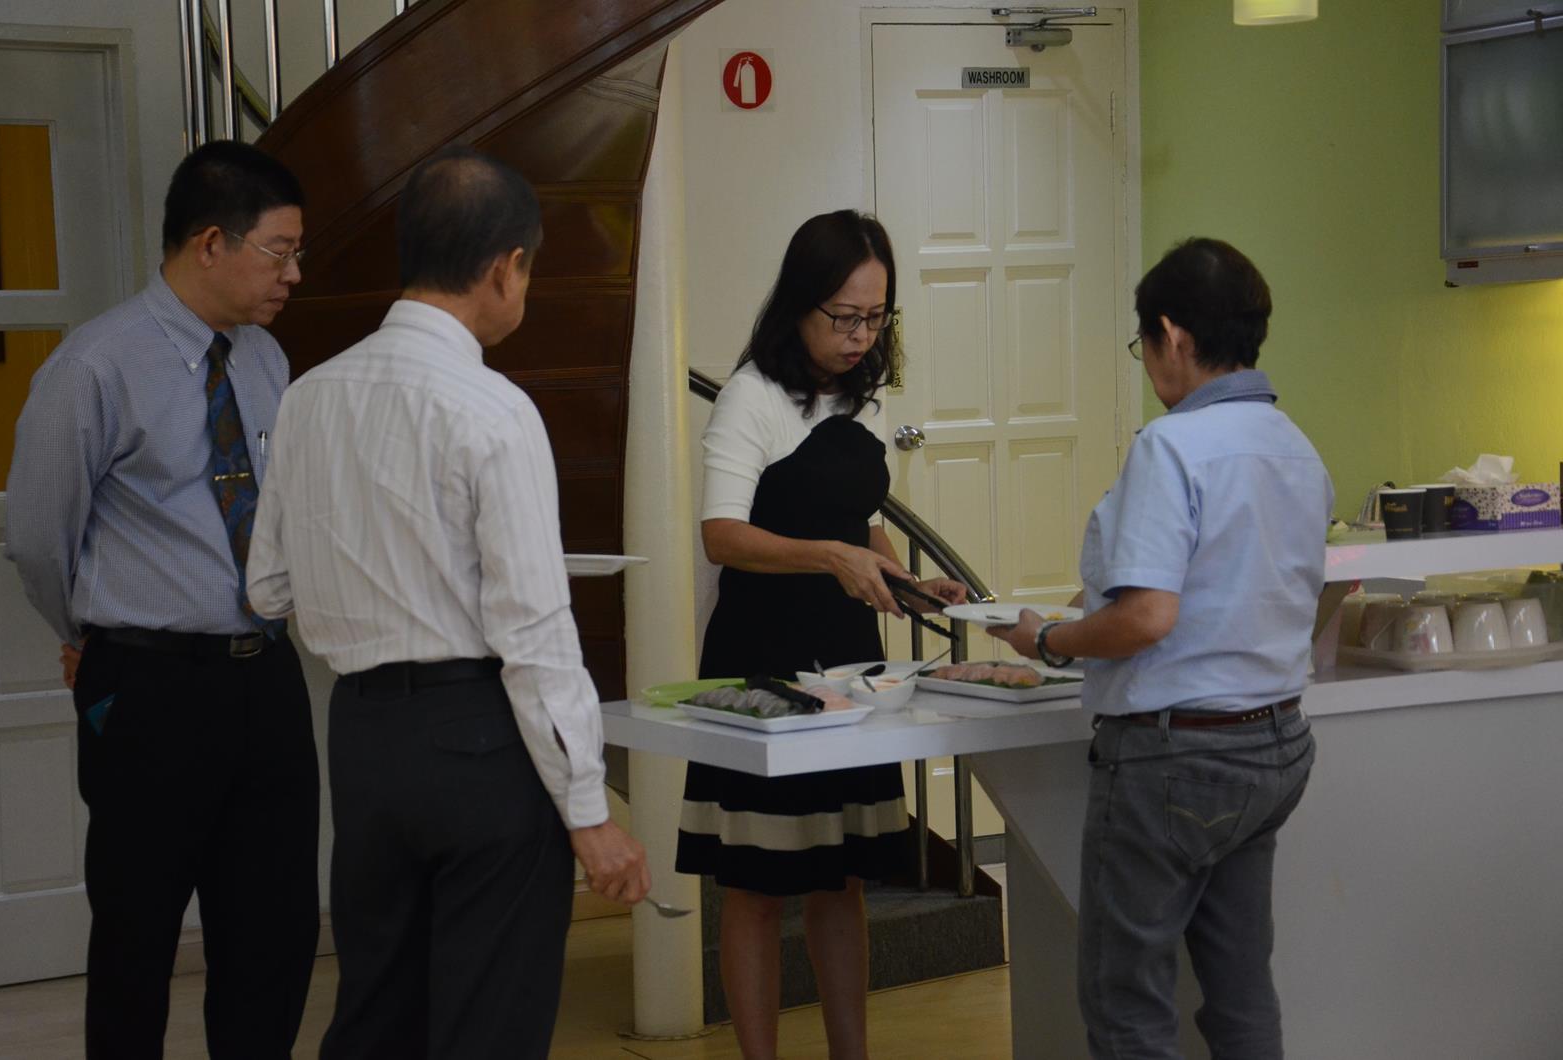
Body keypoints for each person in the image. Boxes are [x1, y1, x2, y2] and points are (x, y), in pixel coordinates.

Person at [244, 146, 650, 1060]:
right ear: (507, 266)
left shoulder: (308, 398)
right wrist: (590, 813)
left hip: (362, 737)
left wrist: (370, 582)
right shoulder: (493, 409)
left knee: (376, 1014)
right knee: (488, 1025)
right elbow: (534, 633)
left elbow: (266, 586)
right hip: (480, 739)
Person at [5, 140, 317, 1059]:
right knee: (137, 938)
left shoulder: (265, 360)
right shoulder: (94, 365)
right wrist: (85, 637)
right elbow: (39, 537)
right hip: (149, 687)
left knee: (273, 935)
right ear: (210, 242)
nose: (294, 275)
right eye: (280, 251)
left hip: (267, 681)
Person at [989, 237, 1332, 1060]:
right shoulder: (1296, 446)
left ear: (1172, 336)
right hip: (1275, 743)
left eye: (1143, 343)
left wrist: (1049, 640)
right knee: (1240, 991)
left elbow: (1148, 617)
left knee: (1126, 1001)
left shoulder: (1171, 445)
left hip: (1175, 759)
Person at [676, 209, 967, 1060]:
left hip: (848, 661)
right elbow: (721, 536)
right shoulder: (752, 396)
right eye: (844, 317)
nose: (860, 336)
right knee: (757, 884)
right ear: (800, 304)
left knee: (843, 876)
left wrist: (904, 582)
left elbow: (859, 521)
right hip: (762, 659)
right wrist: (829, 556)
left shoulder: (867, 395)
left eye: (876, 317)